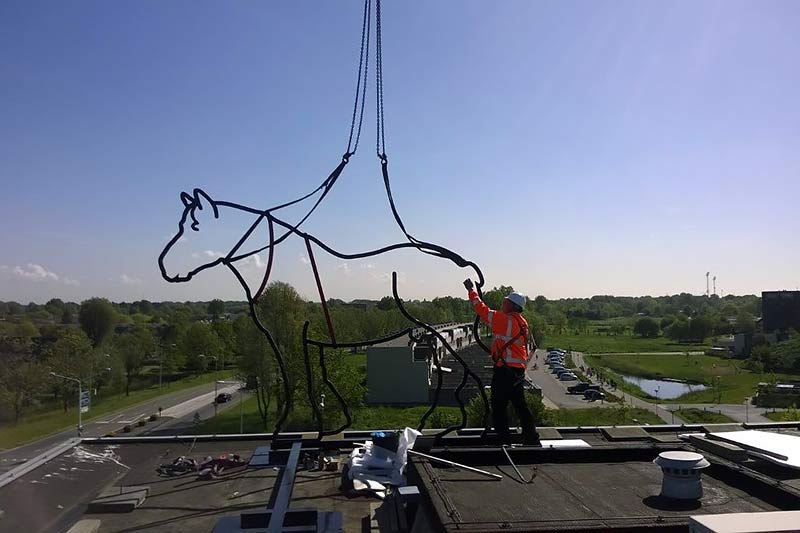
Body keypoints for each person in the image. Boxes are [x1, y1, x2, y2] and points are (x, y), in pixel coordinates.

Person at [463, 279, 540, 445]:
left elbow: (481, 309)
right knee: (520, 405)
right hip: (517, 371)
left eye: (505, 302)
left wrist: (471, 291)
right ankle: (531, 437)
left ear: (511, 305)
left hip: (505, 370)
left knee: (498, 404)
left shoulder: (504, 320)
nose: (502, 304)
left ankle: (503, 440)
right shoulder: (522, 322)